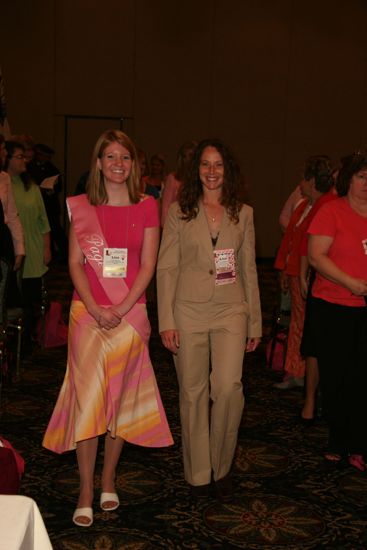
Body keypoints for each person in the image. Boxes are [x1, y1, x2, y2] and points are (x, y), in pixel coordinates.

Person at [43, 129, 173, 527]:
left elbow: (148, 265)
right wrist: (98, 308)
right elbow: (75, 263)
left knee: (119, 400)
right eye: (110, 157)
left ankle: (108, 477)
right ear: (98, 162)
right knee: (88, 401)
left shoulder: (148, 206)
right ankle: (85, 487)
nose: (118, 164)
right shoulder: (80, 206)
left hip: (130, 315)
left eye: (125, 158)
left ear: (134, 164)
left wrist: (120, 305)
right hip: (88, 314)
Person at [157, 138, 261, 500]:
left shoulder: (243, 212)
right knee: (192, 392)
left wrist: (255, 322)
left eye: (218, 165)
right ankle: (199, 473)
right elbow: (167, 267)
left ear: (227, 170)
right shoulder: (178, 212)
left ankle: (223, 465)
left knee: (229, 388)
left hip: (232, 309)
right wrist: (166, 319)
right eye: (205, 164)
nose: (211, 171)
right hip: (187, 309)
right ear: (195, 169)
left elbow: (248, 268)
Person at [308, 151, 367, 470]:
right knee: (337, 378)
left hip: (365, 309)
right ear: (349, 179)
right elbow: (317, 256)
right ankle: (339, 438)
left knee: (363, 379)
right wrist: (352, 283)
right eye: (361, 176)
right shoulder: (332, 211)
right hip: (334, 307)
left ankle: (359, 444)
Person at [274, 156, 333, 390]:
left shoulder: (326, 205)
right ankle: (295, 371)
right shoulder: (305, 205)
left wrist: (301, 273)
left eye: (304, 179)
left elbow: (309, 245)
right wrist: (284, 271)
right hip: (295, 272)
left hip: (308, 275)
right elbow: (291, 239)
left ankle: (301, 372)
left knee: (304, 324)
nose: (300, 183)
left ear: (312, 180)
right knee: (297, 322)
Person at [4, 141, 51, 339]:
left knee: (31, 300)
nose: (25, 160)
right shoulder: (4, 184)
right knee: (15, 300)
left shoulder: (30, 186)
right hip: (11, 251)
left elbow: (44, 221)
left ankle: (29, 341)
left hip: (33, 251)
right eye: (20, 157)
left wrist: (46, 248)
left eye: (25, 157)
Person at [0, 136, 25, 276]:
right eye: (2, 149)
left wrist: (19, 249)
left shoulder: (4, 178)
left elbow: (12, 215)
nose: (5, 153)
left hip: (3, 239)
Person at [160, 140, 197, 227]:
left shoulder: (201, 179)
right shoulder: (173, 178)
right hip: (176, 227)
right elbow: (165, 209)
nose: (187, 159)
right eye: (184, 156)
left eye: (191, 155)